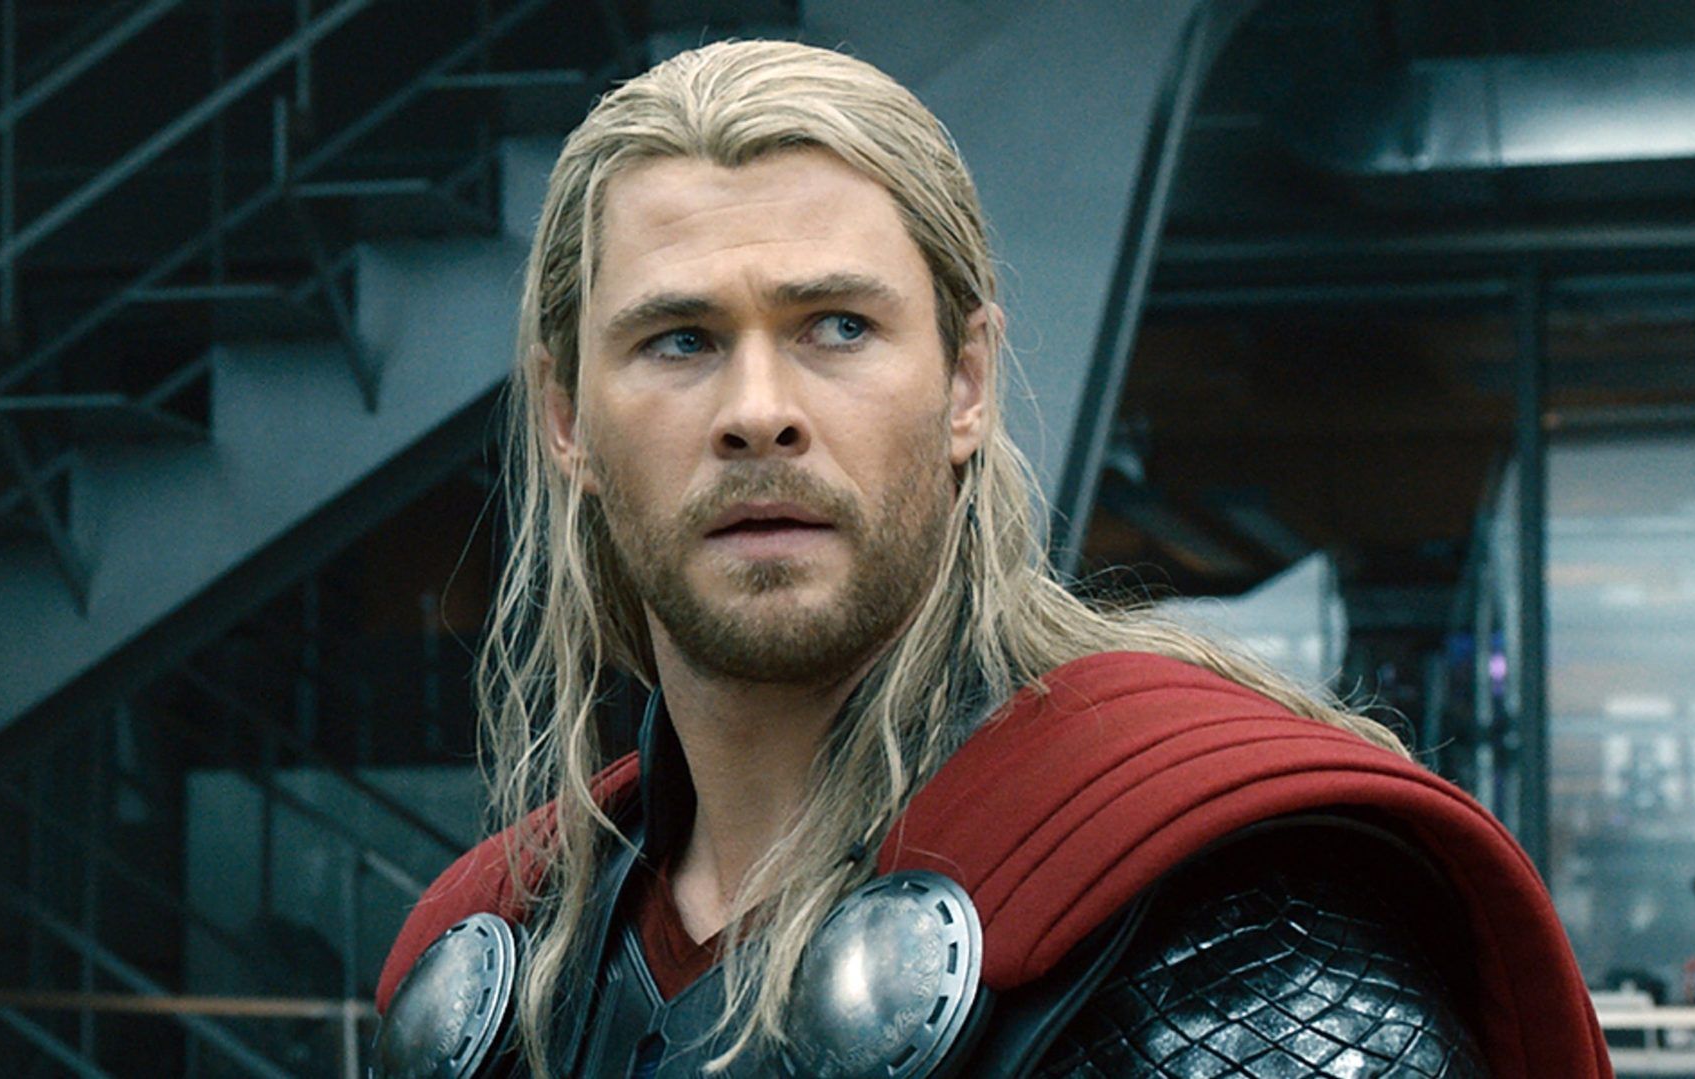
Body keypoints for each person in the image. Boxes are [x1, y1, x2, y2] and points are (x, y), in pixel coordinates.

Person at [372, 39, 1612, 1078]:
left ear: (966, 383)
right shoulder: (502, 957)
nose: (758, 410)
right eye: (679, 340)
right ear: (567, 419)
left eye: (836, 326)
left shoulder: (1224, 921)